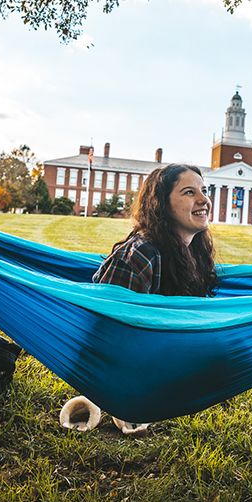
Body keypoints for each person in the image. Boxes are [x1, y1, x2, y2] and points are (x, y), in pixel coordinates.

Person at [61, 164, 217, 435]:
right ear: (161, 204)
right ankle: (106, 402)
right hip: (125, 367)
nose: (203, 200)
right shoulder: (140, 253)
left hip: (161, 358)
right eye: (189, 192)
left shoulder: (194, 254)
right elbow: (106, 334)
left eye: (204, 191)